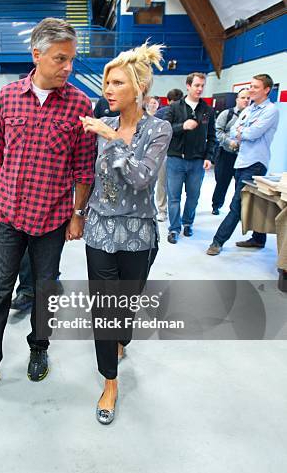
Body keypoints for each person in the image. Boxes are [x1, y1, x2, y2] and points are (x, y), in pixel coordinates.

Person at [0, 18, 95, 394]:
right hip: (10, 215)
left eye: (71, 59)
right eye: (60, 59)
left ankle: (39, 348)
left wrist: (78, 215)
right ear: (37, 55)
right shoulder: (9, 97)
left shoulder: (80, 104)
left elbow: (84, 169)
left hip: (52, 219)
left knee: (44, 291)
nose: (68, 67)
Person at [80, 42, 171, 424]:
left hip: (137, 235)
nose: (108, 90)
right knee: (105, 310)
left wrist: (114, 139)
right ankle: (110, 382)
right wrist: (76, 212)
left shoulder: (158, 129)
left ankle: (121, 339)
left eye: (117, 83)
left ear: (139, 88)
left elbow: (142, 178)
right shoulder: (106, 126)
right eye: (106, 83)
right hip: (100, 231)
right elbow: (93, 177)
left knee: (124, 308)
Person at [206, 74, 279, 256]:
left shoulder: (271, 110)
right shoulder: (249, 109)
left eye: (255, 87)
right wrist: (241, 132)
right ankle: (259, 239)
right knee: (255, 200)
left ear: (266, 90)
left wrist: (241, 132)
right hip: (241, 161)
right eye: (250, 86)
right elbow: (232, 130)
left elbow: (253, 133)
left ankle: (217, 241)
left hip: (255, 163)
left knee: (237, 205)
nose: (251, 90)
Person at [165, 73, 217, 244]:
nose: (200, 89)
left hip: (197, 161)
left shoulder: (208, 111)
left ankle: (187, 223)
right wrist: (182, 126)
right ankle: (174, 229)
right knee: (174, 197)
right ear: (188, 86)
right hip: (175, 160)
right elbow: (165, 130)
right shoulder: (174, 108)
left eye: (202, 85)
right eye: (196, 85)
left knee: (193, 196)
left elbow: (212, 136)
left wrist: (209, 157)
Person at [210, 88, 250, 215]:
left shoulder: (252, 116)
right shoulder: (226, 114)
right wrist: (229, 142)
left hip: (243, 156)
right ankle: (216, 205)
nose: (246, 100)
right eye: (243, 97)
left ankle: (237, 210)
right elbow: (218, 132)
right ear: (237, 99)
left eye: (248, 98)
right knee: (222, 182)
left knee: (241, 185)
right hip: (226, 154)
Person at [154, 88, 182, 220]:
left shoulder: (160, 113)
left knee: (165, 183)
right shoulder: (161, 114)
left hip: (171, 154)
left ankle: (163, 210)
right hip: (168, 153)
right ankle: (164, 209)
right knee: (166, 183)